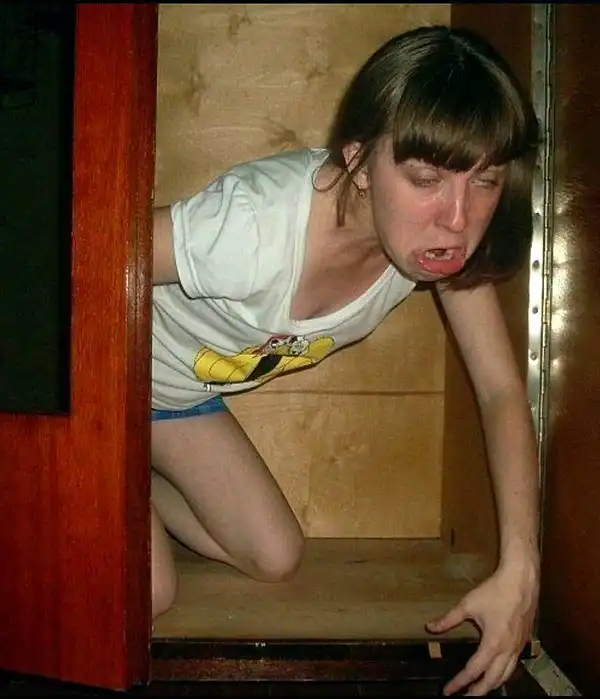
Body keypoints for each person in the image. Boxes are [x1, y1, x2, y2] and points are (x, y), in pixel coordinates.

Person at [150, 24, 541, 697]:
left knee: (275, 555)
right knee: (150, 590)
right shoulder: (255, 226)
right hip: (102, 382)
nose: (457, 219)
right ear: (358, 161)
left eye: (485, 180)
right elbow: (81, 247)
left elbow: (502, 390)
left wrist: (522, 568)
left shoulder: (429, 250)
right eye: (426, 178)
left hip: (174, 403)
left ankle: (128, 475)